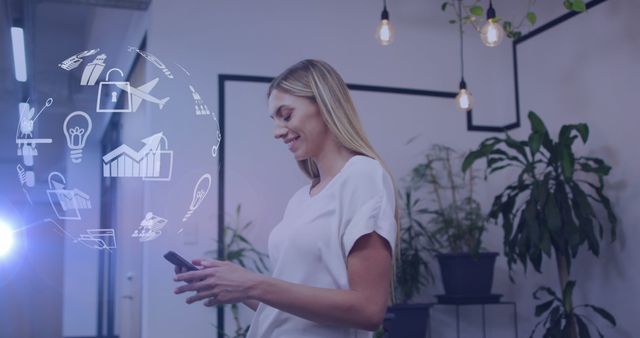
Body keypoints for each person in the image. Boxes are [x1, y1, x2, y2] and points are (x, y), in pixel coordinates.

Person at [174, 59, 400, 337]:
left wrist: (254, 284)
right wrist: (237, 287)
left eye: (286, 115)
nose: (277, 131)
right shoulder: (301, 199)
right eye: (275, 120)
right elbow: (293, 314)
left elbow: (368, 310)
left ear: (325, 105)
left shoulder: (363, 175)